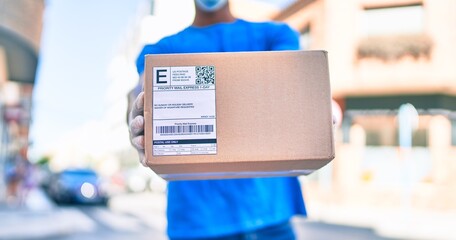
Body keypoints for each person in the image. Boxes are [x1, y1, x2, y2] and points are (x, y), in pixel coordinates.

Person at [128, 1, 307, 239]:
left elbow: (294, 86)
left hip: (270, 217)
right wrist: (136, 118)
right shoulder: (162, 50)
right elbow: (138, 94)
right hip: (197, 223)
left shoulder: (273, 36)